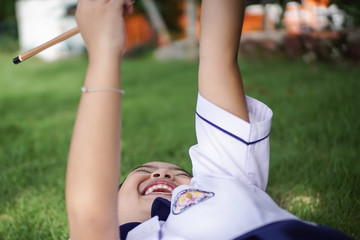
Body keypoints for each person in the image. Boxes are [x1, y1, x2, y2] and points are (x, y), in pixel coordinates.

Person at [65, 0, 353, 239]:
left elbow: (217, 58)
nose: (162, 174)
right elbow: (89, 220)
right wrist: (104, 50)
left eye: (181, 174)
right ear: (110, 207)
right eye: (143, 170)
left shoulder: (221, 178)